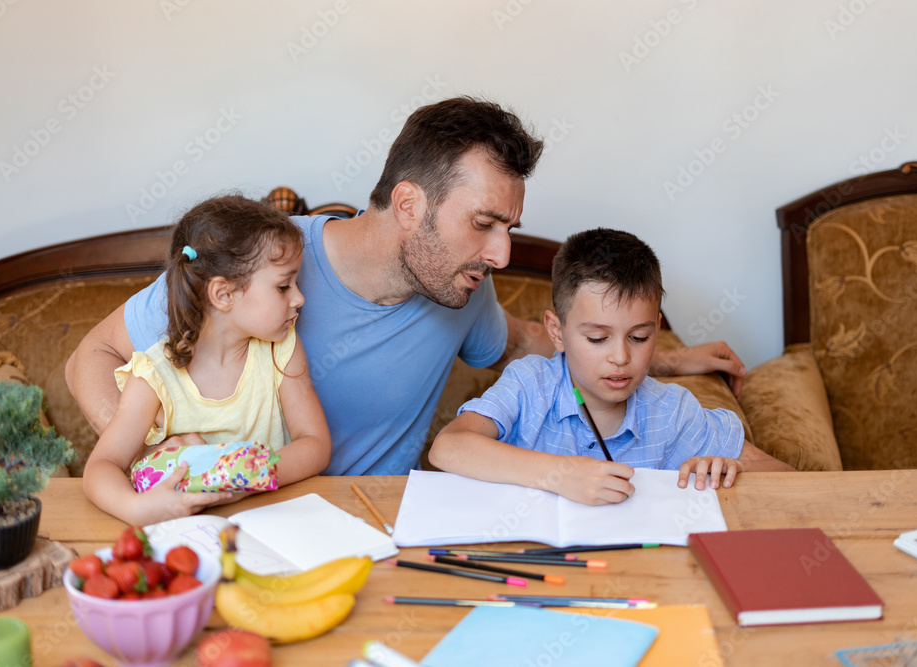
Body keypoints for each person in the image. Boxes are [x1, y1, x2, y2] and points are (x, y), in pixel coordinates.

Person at [66, 96, 747, 477]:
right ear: (412, 204)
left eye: (510, 227)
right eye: (485, 223)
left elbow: (531, 346)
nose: (503, 253)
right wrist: (152, 457)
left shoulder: (461, 289)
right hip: (232, 519)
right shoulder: (260, 270)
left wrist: (665, 357)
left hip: (371, 540)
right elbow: (87, 359)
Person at [428, 228, 793, 505]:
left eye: (638, 338)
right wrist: (562, 475)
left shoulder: (673, 412)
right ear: (557, 332)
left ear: (656, 331)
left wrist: (737, 469)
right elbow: (449, 447)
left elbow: (786, 476)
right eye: (598, 339)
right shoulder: (529, 385)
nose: (620, 357)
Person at [82, 196, 330, 524]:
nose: (299, 298)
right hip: (183, 531)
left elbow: (315, 445)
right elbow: (102, 467)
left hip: (267, 524)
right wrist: (136, 509)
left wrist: (246, 475)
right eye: (283, 286)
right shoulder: (153, 375)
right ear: (223, 294)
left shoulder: (281, 351)